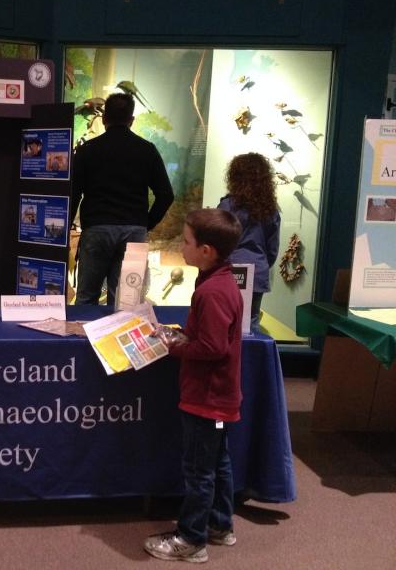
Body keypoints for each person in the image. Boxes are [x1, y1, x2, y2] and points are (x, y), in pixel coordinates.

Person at [144, 208, 244, 564]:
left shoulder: (212, 291)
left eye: (186, 242)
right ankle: (219, 525)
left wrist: (174, 346)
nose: (181, 247)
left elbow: (214, 347)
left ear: (207, 250)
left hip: (207, 402)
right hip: (218, 404)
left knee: (199, 470)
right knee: (216, 462)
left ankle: (191, 539)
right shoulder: (218, 281)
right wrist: (185, 335)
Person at [69, 92, 174, 306]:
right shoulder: (147, 150)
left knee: (86, 298)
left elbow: (73, 194)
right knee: (126, 303)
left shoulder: (87, 150)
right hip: (133, 232)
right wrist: (146, 224)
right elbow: (166, 195)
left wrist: (64, 233)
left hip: (96, 230)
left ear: (104, 118)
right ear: (131, 120)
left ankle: (83, 338)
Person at [217, 152, 280, 332]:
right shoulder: (270, 209)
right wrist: (260, 264)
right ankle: (251, 359)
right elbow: (272, 249)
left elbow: (217, 241)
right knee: (250, 322)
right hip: (256, 271)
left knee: (224, 321)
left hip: (228, 269)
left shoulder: (227, 206)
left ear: (234, 177)